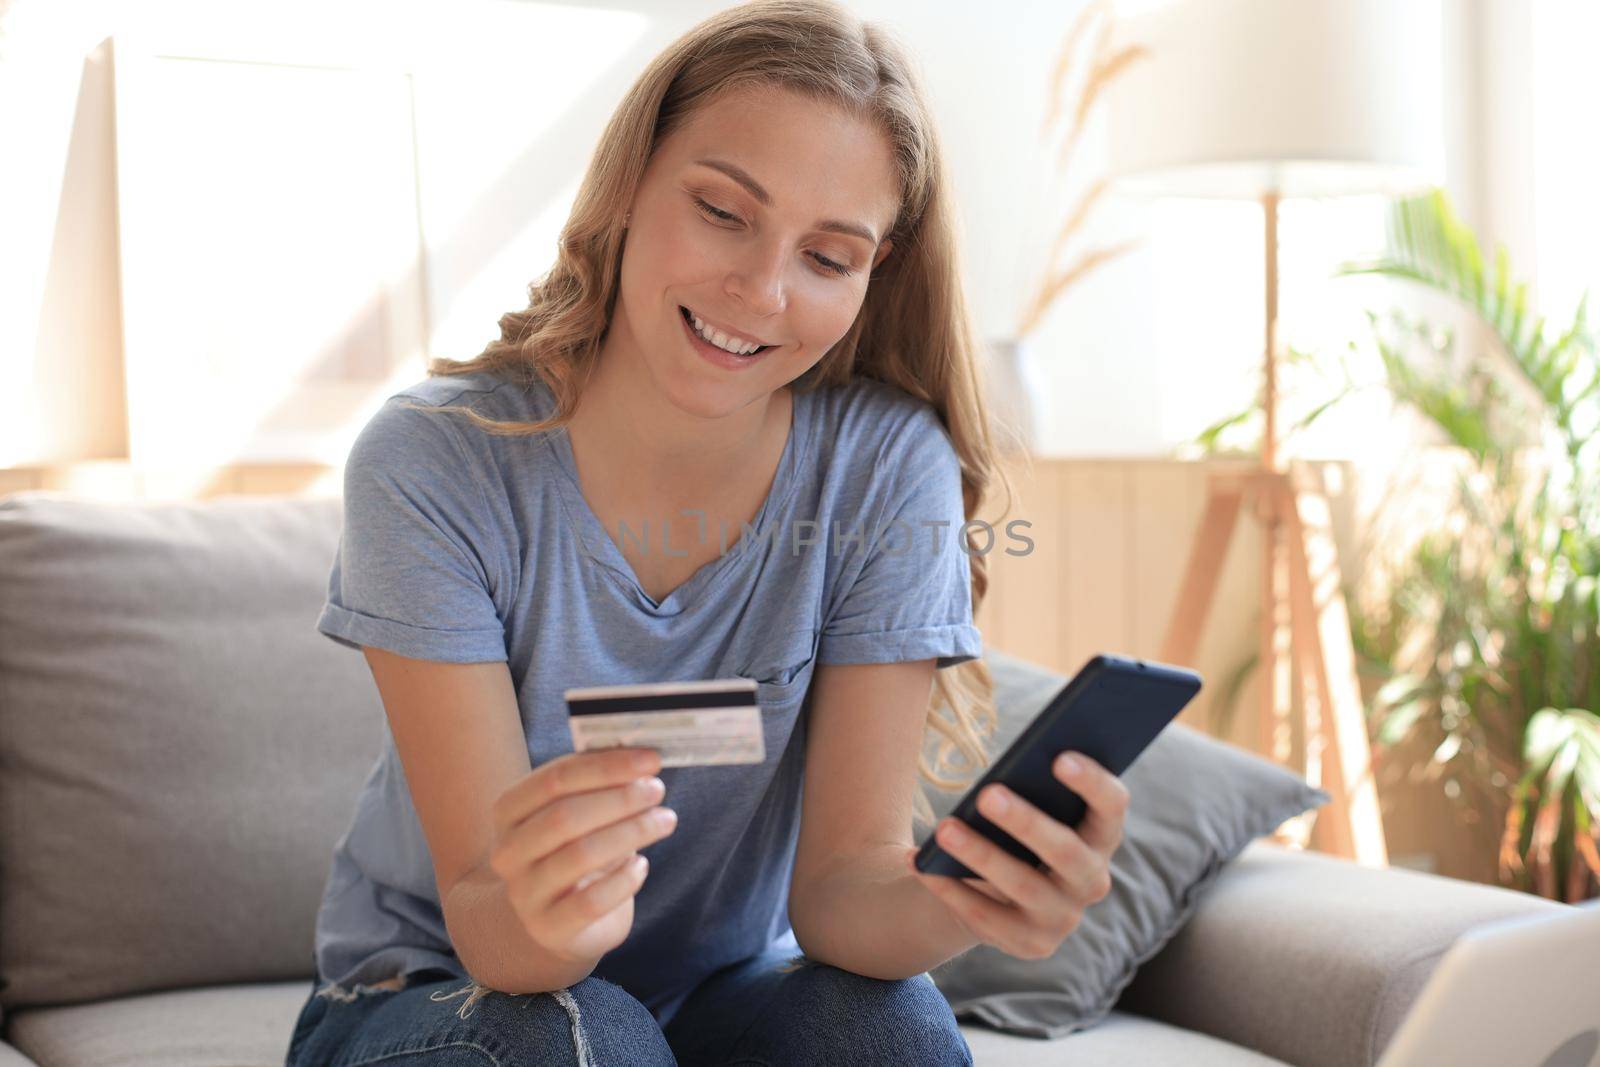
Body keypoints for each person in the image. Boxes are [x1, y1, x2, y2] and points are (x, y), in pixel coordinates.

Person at [285, 1, 1130, 1064]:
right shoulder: (435, 459)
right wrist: (553, 912)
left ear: (873, 277)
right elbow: (488, 918)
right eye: (724, 212)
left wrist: (977, 897)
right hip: (449, 986)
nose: (762, 290)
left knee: (891, 1030)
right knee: (578, 1034)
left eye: (827, 257)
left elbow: (839, 898)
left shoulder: (882, 465)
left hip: (723, 994)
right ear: (629, 185)